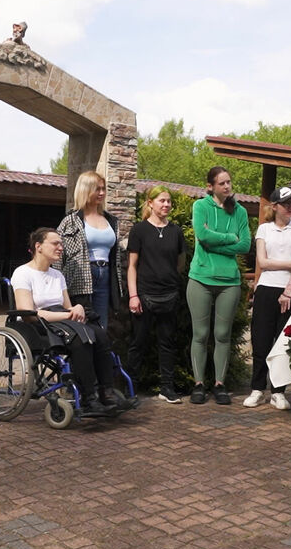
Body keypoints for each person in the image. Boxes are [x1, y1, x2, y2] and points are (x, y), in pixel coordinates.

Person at [13, 228, 135, 418]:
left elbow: (67, 307)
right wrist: (67, 315)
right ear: (38, 247)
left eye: (61, 243)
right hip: (37, 326)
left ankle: (106, 392)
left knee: (100, 335)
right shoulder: (22, 273)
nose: (61, 247)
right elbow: (29, 313)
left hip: (62, 321)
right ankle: (88, 398)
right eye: (56, 243)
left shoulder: (57, 275)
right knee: (80, 340)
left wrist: (76, 308)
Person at [187, 166, 251, 405]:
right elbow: (202, 237)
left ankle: (219, 385)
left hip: (230, 283)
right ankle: (199, 384)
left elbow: (245, 245)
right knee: (200, 335)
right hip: (200, 279)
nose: (227, 186)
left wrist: (216, 241)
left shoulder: (241, 212)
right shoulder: (200, 207)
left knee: (223, 335)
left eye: (229, 182)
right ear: (210, 187)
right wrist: (229, 239)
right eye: (222, 183)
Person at [244, 187, 291, 411]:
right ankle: (257, 389)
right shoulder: (264, 229)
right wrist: (290, 263)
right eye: (286, 203)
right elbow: (263, 263)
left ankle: (278, 391)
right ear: (274, 207)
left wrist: (288, 290)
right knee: (261, 339)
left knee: (284, 342)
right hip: (266, 289)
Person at [126, 186, 185, 403]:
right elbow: (131, 266)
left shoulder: (176, 232)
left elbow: (180, 263)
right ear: (150, 203)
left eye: (169, 201)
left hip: (170, 296)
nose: (167, 205)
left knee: (167, 343)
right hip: (144, 296)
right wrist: (134, 295)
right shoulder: (139, 230)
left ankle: (167, 389)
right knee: (138, 343)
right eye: (162, 201)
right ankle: (130, 389)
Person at [56, 171, 123, 328]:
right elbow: (58, 255)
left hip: (106, 275)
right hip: (81, 276)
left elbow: (115, 255)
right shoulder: (70, 221)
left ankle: (99, 353)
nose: (101, 193)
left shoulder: (111, 220)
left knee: (101, 326)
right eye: (97, 189)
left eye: (103, 188)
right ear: (85, 190)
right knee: (81, 325)